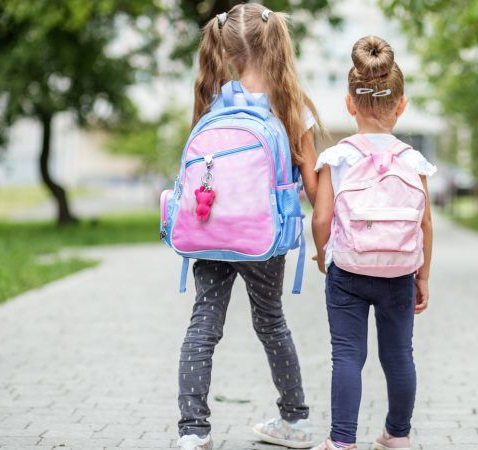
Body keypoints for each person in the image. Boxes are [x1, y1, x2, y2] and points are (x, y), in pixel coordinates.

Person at [177, 4, 321, 450]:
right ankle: (294, 422)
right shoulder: (290, 104)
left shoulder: (211, 98)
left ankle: (193, 430)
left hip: (211, 231)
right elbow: (314, 188)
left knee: (203, 324)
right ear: (275, 41)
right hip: (264, 238)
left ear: (225, 49)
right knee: (272, 323)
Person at [310, 35, 436, 450]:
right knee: (399, 355)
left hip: (348, 270)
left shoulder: (336, 157)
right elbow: (427, 225)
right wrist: (423, 276)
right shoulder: (413, 160)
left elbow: (322, 217)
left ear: (350, 104)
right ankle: (397, 434)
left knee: (347, 355)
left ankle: (342, 442)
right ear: (401, 106)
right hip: (399, 272)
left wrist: (322, 254)